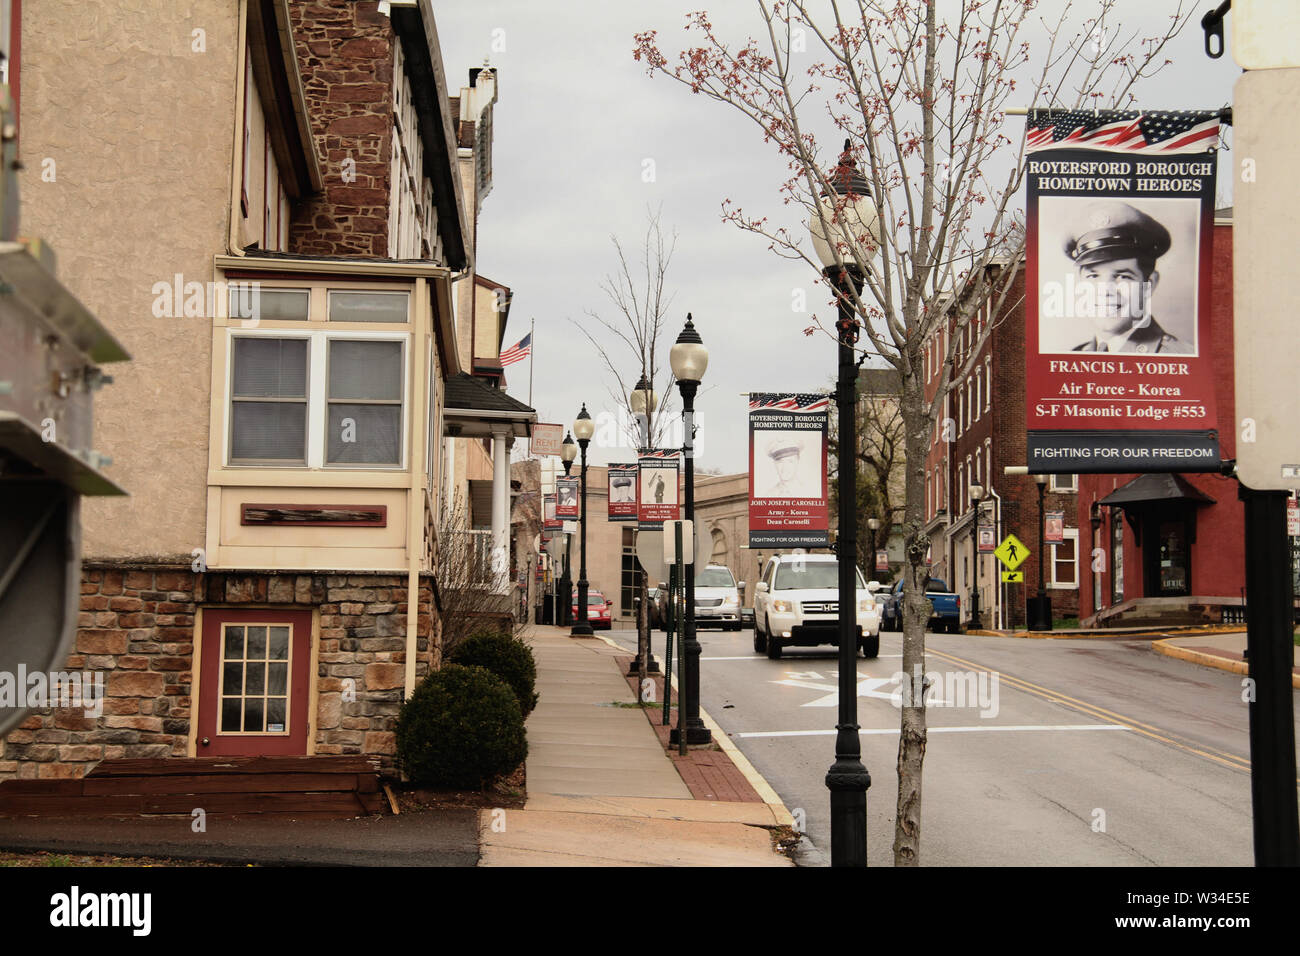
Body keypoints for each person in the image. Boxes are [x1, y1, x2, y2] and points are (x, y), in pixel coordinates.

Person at [1065, 201, 1192, 354]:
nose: (1105, 291)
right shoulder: (1075, 355)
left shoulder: (1179, 356)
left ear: (1149, 285)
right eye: (1093, 276)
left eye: (1122, 277)